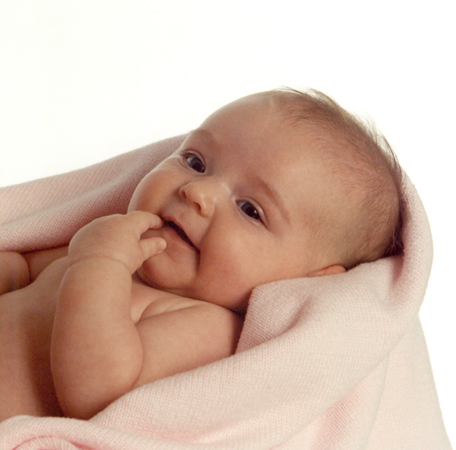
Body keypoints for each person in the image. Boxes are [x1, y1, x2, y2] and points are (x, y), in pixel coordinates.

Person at [0, 88, 403, 422]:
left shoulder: (208, 328)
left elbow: (98, 395)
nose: (198, 192)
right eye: (195, 162)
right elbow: (20, 271)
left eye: (250, 209)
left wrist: (97, 266)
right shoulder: (112, 241)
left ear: (303, 283)